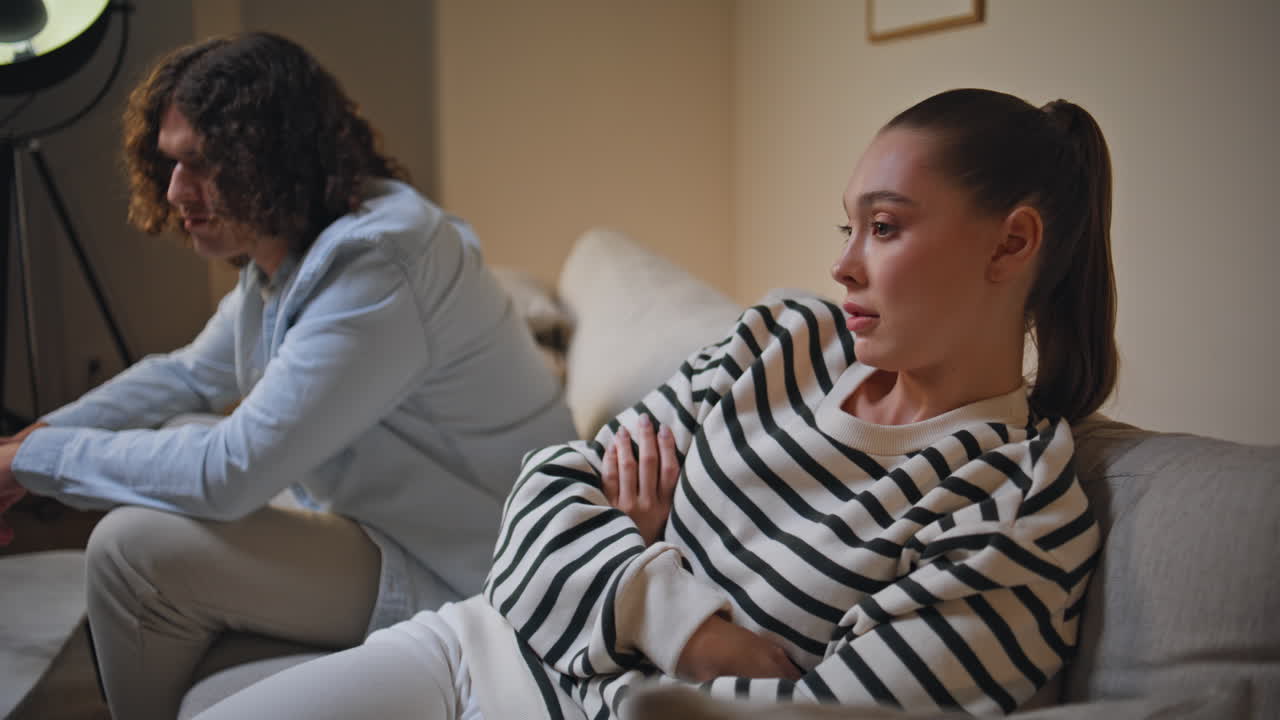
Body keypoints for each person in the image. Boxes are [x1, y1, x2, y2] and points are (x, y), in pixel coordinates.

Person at [190, 87, 1114, 719]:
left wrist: (637, 557)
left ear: (1011, 245)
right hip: (488, 647)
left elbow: (833, 714)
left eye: (884, 227)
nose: (843, 264)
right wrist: (695, 633)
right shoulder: (782, 337)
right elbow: (545, 496)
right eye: (849, 227)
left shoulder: (1016, 501)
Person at [0, 32, 575, 718]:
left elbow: (230, 470)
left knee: (131, 549)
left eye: (200, 164)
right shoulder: (290, 250)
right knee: (180, 428)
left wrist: (30, 460)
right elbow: (187, 375)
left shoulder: (377, 268)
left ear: (268, 159)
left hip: (469, 565)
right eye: (170, 163)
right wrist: (32, 440)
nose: (178, 190)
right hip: (385, 525)